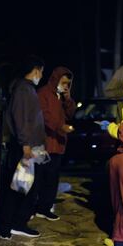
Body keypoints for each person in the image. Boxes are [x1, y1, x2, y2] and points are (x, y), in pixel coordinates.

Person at [0, 55, 45, 239]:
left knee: (23, 186)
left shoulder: (25, 88)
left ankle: (15, 223)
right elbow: (21, 119)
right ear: (36, 70)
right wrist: (26, 144)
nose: (41, 75)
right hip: (25, 147)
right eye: (41, 71)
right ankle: (9, 225)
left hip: (29, 146)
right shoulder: (24, 90)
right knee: (18, 187)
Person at [36, 66, 76, 220]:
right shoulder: (43, 93)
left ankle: (45, 208)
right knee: (40, 178)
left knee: (52, 179)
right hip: (44, 143)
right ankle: (36, 207)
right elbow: (45, 117)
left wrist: (68, 99)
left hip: (57, 144)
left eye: (68, 83)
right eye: (64, 82)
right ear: (56, 79)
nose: (65, 85)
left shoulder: (60, 96)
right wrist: (61, 127)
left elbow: (70, 114)